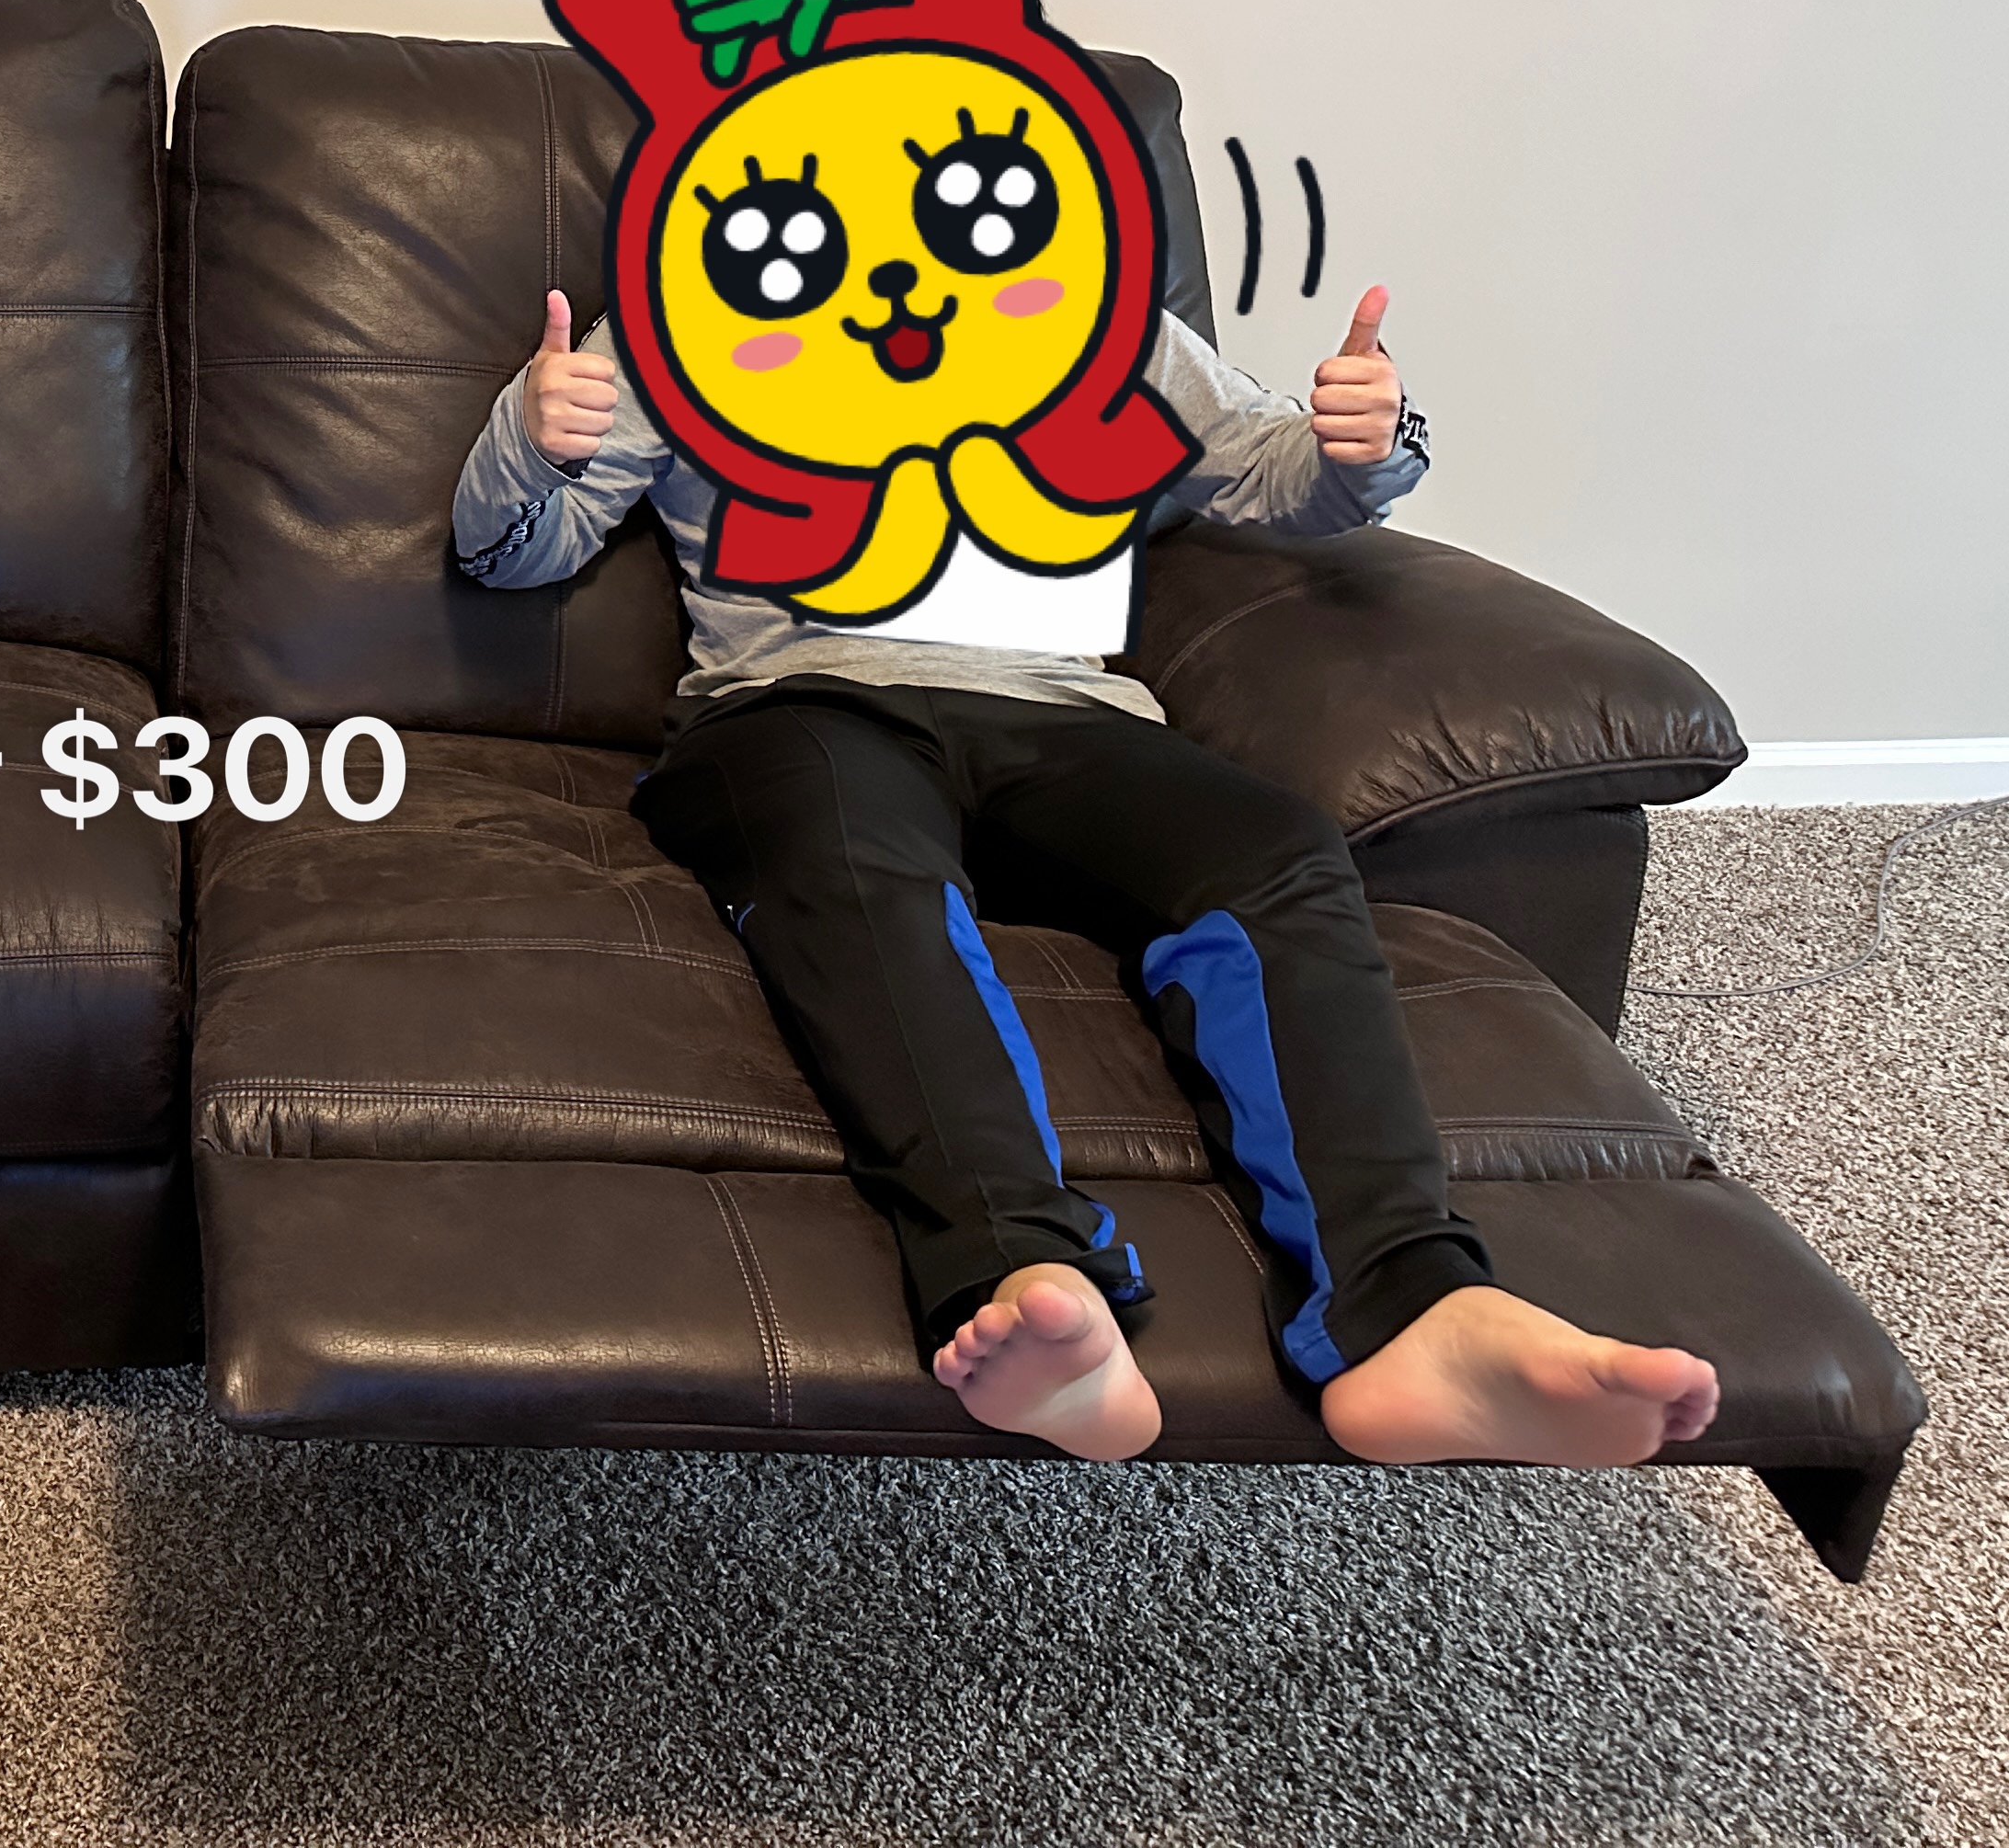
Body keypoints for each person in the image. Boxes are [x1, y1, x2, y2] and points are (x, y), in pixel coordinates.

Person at [451, 276, 1722, 1466]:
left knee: (1273, 849)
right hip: (805, 703)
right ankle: (1018, 1269)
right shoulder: (687, 310)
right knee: (856, 867)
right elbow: (511, 552)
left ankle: (1412, 1306)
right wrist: (538, 440)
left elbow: (1274, 473)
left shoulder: (1094, 311)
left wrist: (1366, 446)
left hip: (1064, 716)